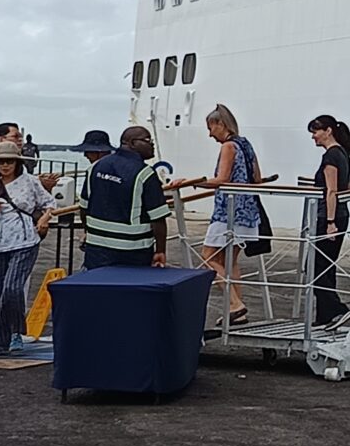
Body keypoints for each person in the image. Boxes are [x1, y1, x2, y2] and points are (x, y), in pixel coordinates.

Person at [166, 105, 262, 325]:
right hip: (247, 210)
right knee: (230, 261)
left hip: (228, 211)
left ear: (221, 124)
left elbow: (222, 179)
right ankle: (237, 309)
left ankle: (235, 304)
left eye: (211, 128)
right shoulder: (246, 144)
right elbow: (257, 177)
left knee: (208, 255)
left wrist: (192, 182)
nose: (210, 134)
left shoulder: (228, 146)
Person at [0, 142, 54, 356]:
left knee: (12, 288)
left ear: (17, 162)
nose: (5, 165)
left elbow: (49, 203)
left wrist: (44, 221)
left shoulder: (30, 182)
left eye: (9, 161)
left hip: (24, 240)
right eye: (1, 161)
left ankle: (15, 332)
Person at [78, 126, 169, 269]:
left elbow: (84, 208)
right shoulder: (145, 174)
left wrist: (88, 232)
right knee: (130, 289)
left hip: (96, 249)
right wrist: (160, 250)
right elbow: (158, 218)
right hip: (133, 252)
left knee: (97, 288)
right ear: (132, 143)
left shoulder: (95, 168)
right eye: (148, 140)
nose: (152, 145)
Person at [308, 115, 350, 328]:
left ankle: (337, 309)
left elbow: (332, 191)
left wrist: (329, 221)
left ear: (328, 131)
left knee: (318, 266)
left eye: (315, 131)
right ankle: (325, 315)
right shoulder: (343, 154)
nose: (313, 137)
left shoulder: (330, 157)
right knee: (327, 265)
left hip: (329, 217)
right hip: (341, 215)